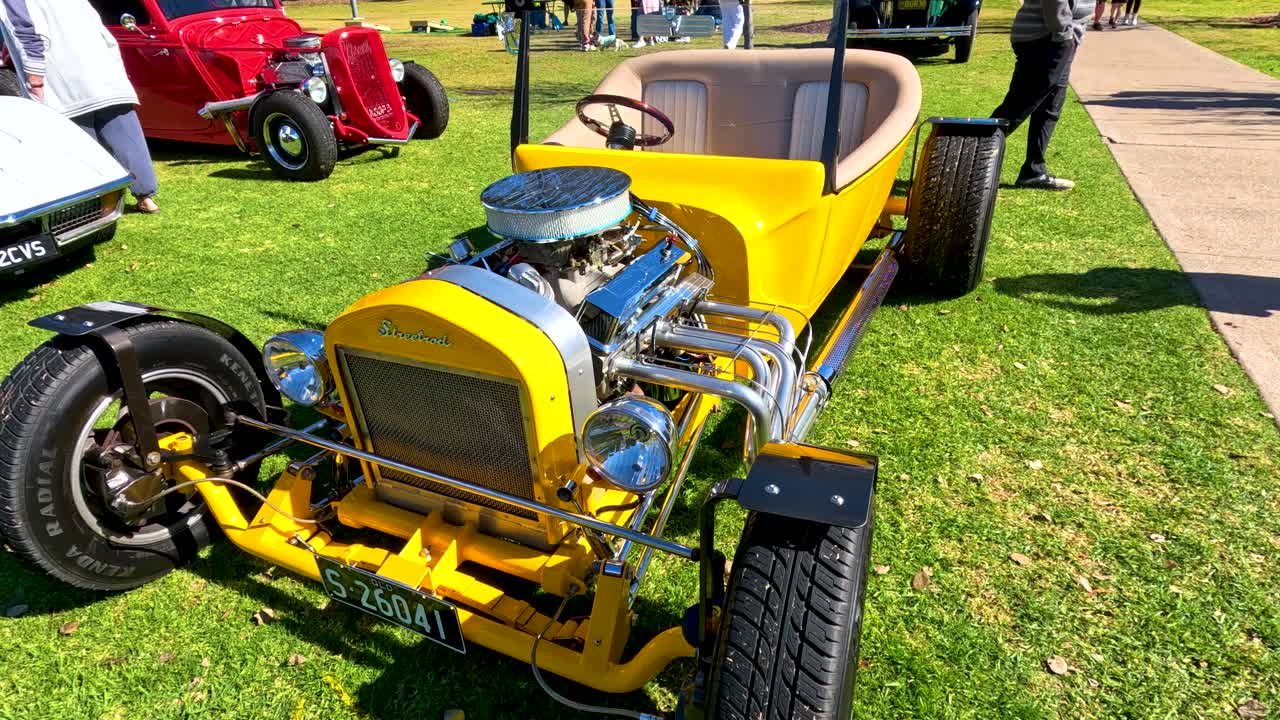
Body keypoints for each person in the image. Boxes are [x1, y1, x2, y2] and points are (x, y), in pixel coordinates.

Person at [0, 0, 160, 213]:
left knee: (82, 150)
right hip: (105, 75)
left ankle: (94, 206)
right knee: (128, 139)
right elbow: (101, 30)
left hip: (64, 83)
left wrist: (35, 79)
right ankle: (146, 197)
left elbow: (27, 34)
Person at [990, 0, 1094, 191]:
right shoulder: (1058, 34)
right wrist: (1064, 33)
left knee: (1051, 106)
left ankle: (1033, 171)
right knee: (1020, 105)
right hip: (1047, 38)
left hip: (1059, 37)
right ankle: (967, 155)